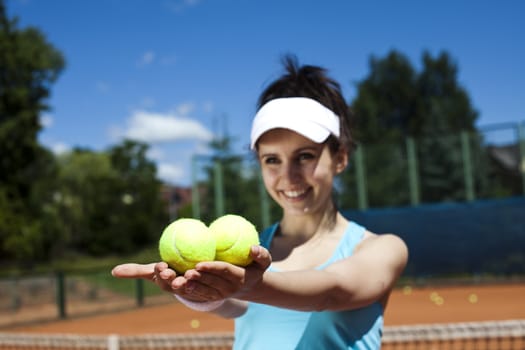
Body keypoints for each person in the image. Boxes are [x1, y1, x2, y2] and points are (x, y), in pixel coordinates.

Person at [112, 55, 408, 349]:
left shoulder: (383, 249)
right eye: (272, 160)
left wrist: (253, 285)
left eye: (305, 156)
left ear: (340, 157)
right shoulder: (250, 251)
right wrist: (201, 294)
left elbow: (331, 291)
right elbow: (241, 309)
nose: (288, 177)